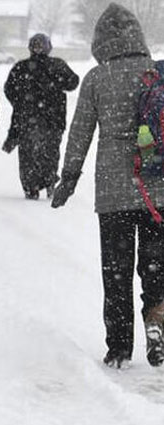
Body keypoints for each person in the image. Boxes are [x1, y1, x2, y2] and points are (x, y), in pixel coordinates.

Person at [51, 3, 164, 369]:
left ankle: (118, 348)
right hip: (156, 189)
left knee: (116, 272)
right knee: (156, 268)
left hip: (113, 192)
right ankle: (157, 322)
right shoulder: (156, 73)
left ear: (100, 41)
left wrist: (69, 177)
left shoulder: (98, 79)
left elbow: (80, 132)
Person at [4, 33, 80, 200]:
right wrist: (56, 84)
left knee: (28, 155)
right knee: (50, 153)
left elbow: (9, 89)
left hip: (29, 119)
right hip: (53, 119)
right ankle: (48, 181)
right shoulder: (57, 65)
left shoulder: (21, 67)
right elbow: (73, 82)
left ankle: (32, 186)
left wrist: (21, 103)